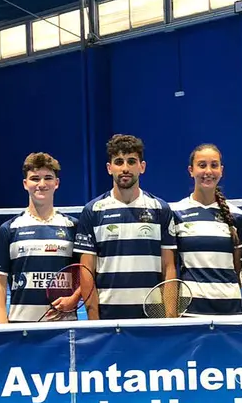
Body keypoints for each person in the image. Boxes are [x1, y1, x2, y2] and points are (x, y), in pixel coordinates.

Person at [74, 134, 177, 320]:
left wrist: (170, 319)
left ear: (142, 167)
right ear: (109, 168)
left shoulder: (160, 209)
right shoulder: (93, 211)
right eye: (119, 162)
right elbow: (86, 270)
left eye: (131, 161)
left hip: (152, 318)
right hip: (108, 318)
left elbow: (168, 267)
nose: (125, 168)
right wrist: (94, 320)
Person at [0, 153, 78, 323]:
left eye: (48, 178)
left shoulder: (72, 227)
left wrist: (74, 298)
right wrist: (2, 325)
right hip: (21, 327)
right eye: (35, 178)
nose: (41, 184)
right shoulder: (9, 229)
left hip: (64, 326)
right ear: (25, 184)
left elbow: (86, 274)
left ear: (57, 183)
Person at [171, 143, 242, 317]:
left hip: (231, 312)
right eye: (202, 165)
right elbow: (171, 267)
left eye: (214, 165)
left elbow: (238, 268)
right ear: (191, 170)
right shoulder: (176, 212)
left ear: (221, 170)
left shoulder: (237, 215)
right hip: (191, 312)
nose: (208, 171)